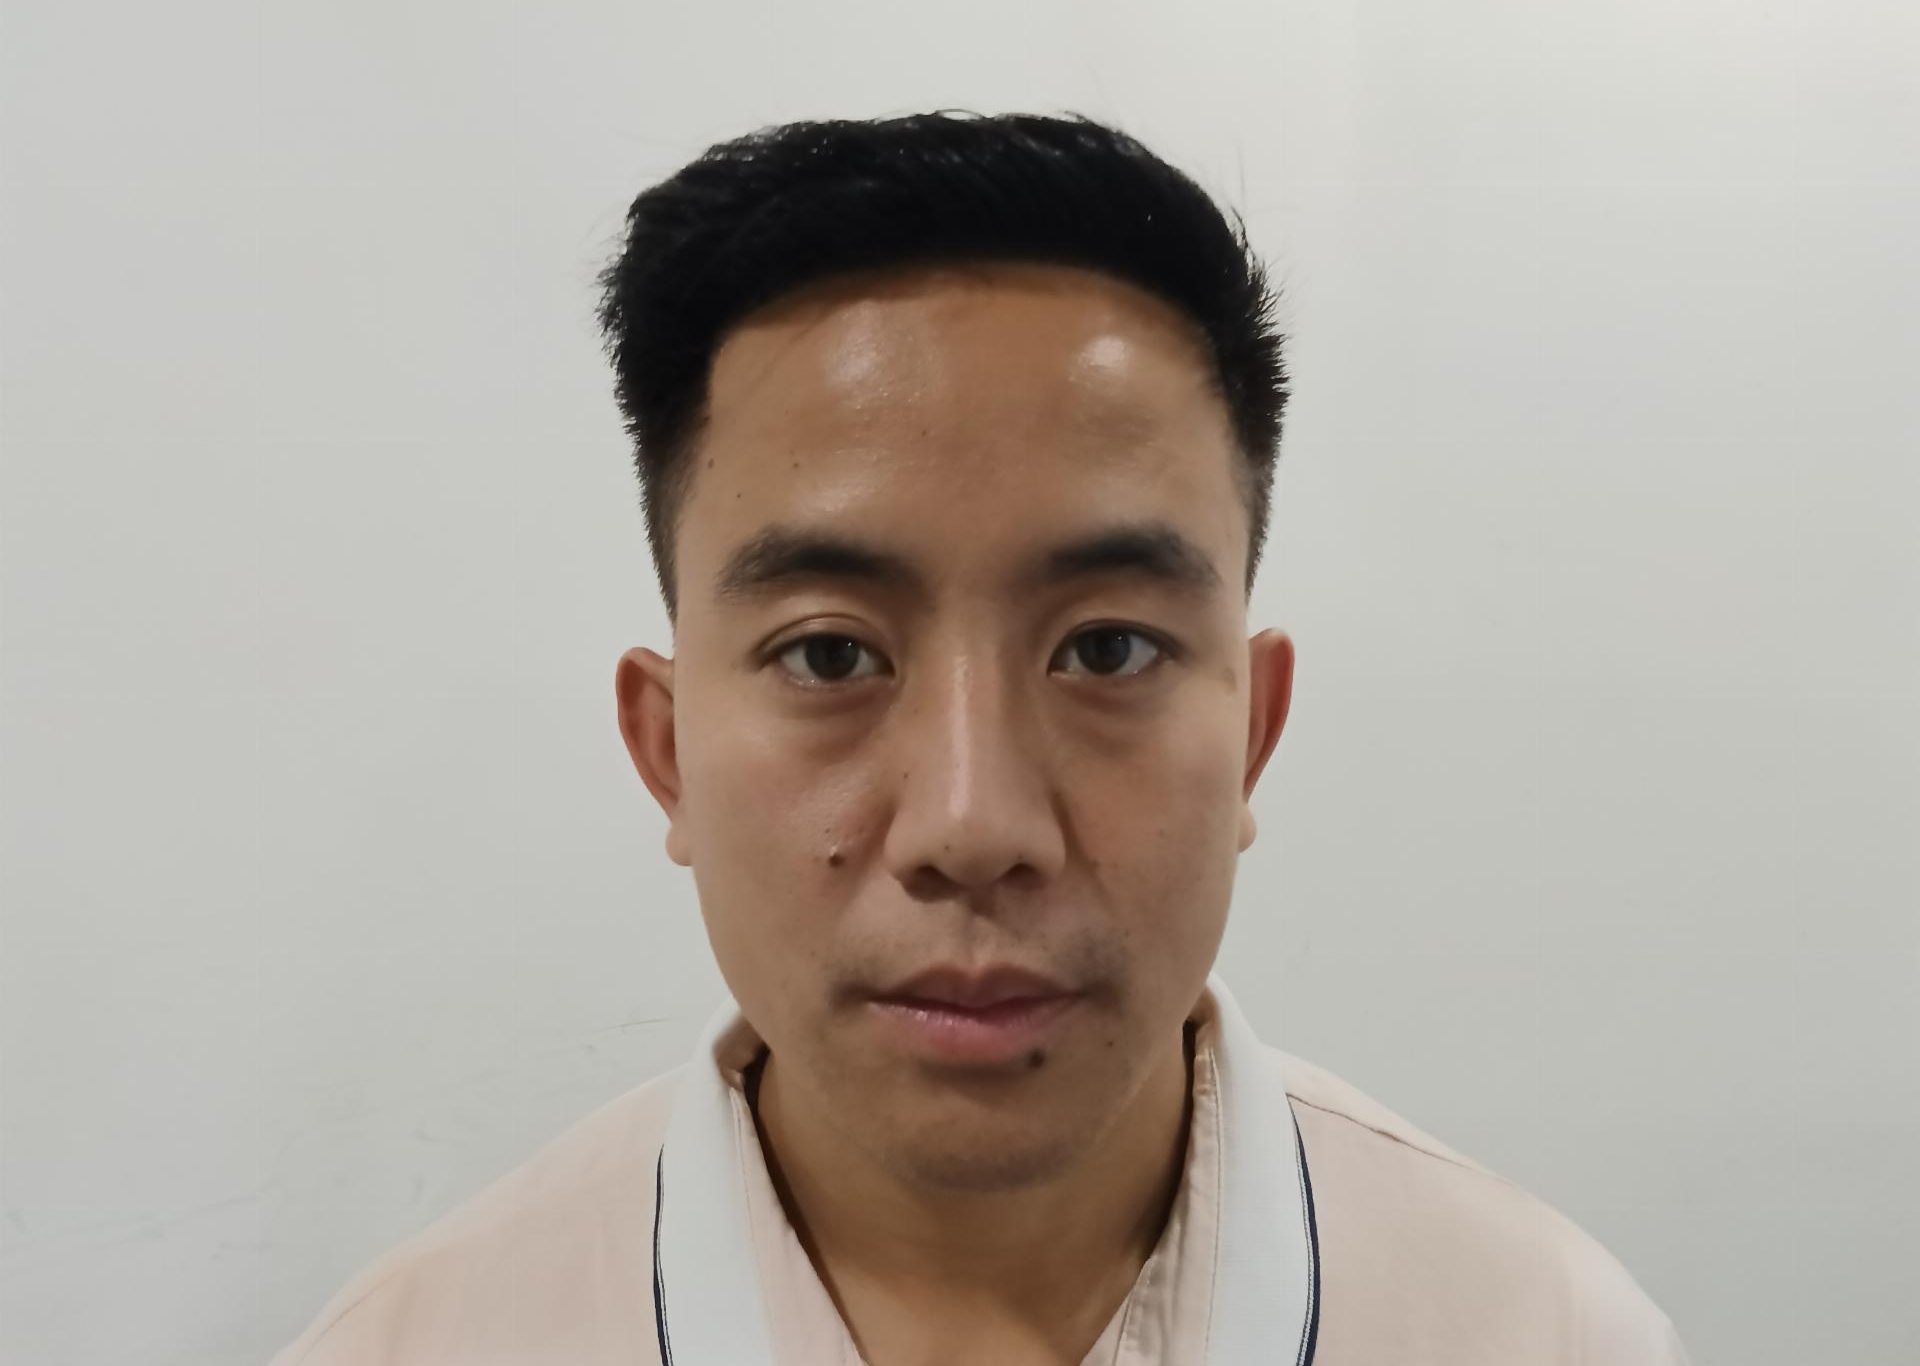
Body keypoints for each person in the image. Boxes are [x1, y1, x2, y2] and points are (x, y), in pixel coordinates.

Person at [272, 110, 1689, 1365]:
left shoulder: (1550, 1337)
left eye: (1108, 649)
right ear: (668, 750)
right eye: (830, 654)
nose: (972, 826)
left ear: (1255, 730)